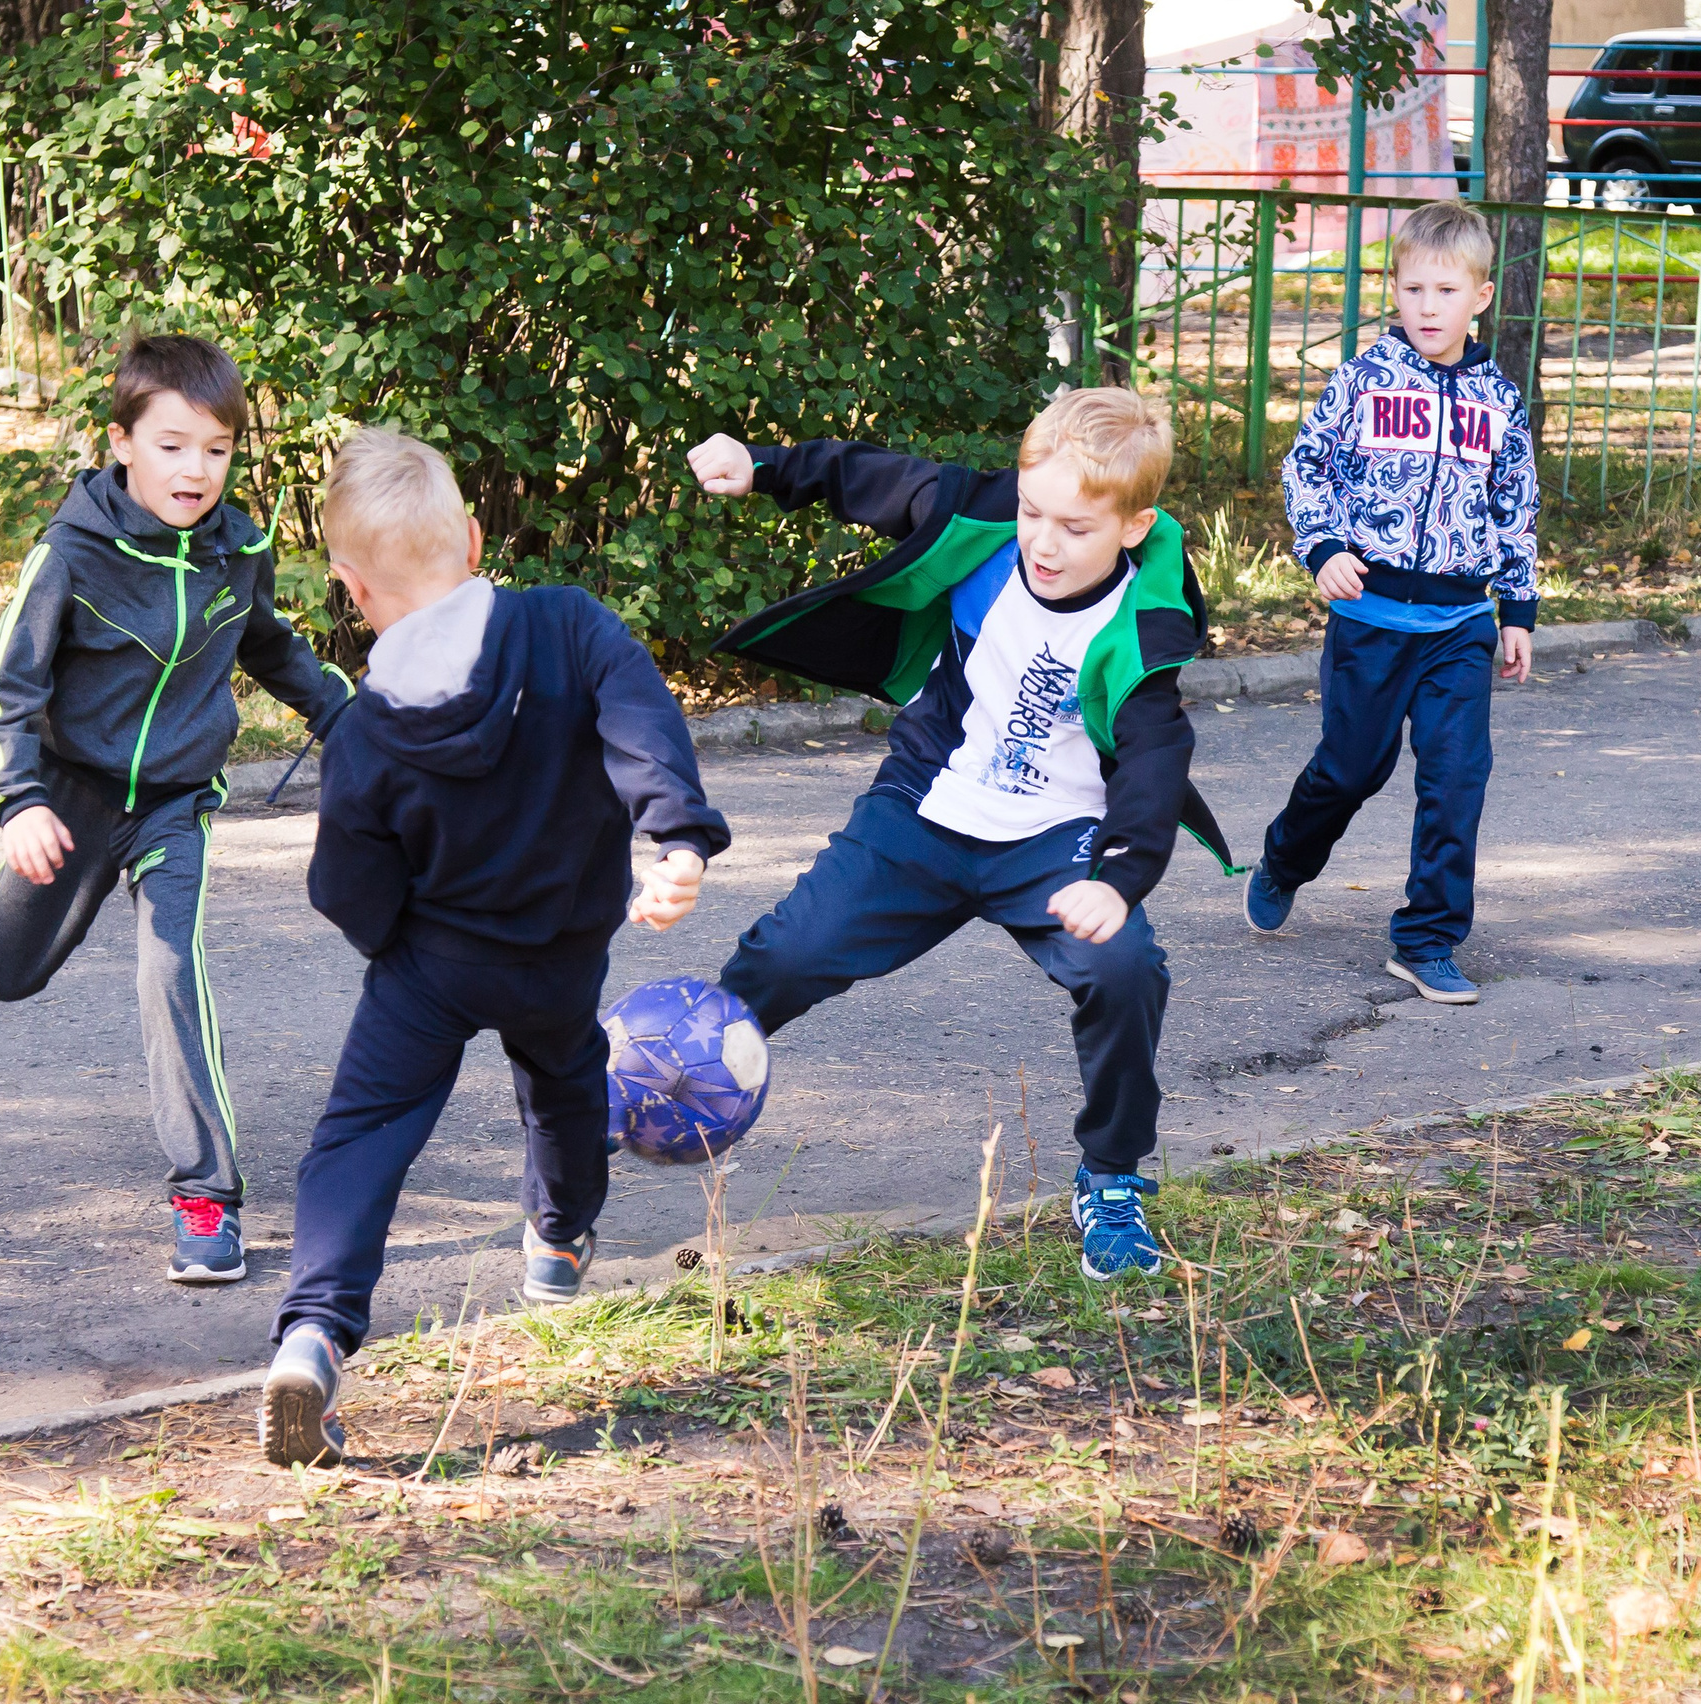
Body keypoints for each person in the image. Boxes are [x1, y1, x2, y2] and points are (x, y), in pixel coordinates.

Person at [687, 389, 1234, 1282]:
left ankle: (1109, 1177)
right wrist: (764, 466)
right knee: (788, 952)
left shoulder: (1143, 623)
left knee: (1126, 968)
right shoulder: (981, 524)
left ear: (1134, 528)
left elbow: (1154, 758)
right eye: (1032, 513)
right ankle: (677, 1073)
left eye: (1075, 528)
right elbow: (869, 476)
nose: (1043, 543)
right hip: (926, 809)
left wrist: (1119, 879)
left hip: (1054, 840)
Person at [259, 430, 728, 1468]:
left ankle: (313, 1337)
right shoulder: (567, 626)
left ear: (351, 588)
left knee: (362, 1132)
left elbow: (345, 885)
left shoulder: (365, 730)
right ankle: (557, 1245)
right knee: (565, 1083)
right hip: (558, 956)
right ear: (473, 540)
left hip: (430, 968)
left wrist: (395, 944)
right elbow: (642, 723)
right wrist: (678, 838)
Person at [0, 335, 354, 1285]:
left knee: (170, 970)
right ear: (122, 443)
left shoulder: (238, 550)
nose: (196, 470)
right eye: (172, 445)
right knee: (5, 975)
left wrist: (353, 721)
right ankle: (16, 922)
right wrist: (19, 802)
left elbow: (271, 646)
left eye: (217, 449)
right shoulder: (69, 554)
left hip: (175, 803)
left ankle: (206, 1197)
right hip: (70, 800)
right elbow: (7, 695)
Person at [1240, 199, 1540, 1006]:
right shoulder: (1363, 380)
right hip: (1370, 621)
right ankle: (1285, 858)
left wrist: (1516, 610)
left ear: (1480, 297)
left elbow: (1515, 506)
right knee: (1350, 772)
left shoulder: (1499, 401)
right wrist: (1324, 548)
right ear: (1395, 291)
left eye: (1446, 291)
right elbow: (1308, 467)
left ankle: (1427, 939)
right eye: (1413, 290)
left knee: (1456, 778)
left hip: (1459, 626)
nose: (1428, 307)